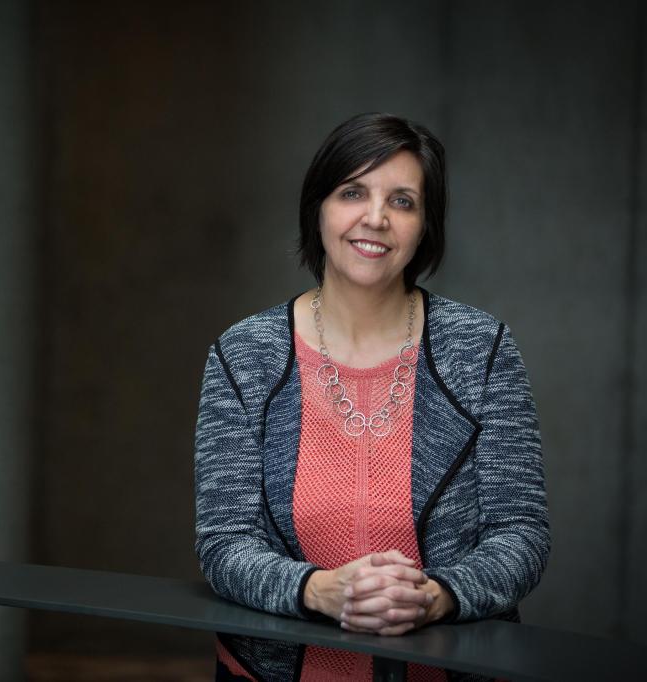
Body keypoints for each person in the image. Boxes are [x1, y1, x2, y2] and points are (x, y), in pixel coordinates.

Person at [193, 112, 549, 682]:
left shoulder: (482, 348)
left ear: (425, 225)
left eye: (403, 201)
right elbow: (224, 544)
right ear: (319, 208)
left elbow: (521, 532)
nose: (376, 218)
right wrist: (321, 590)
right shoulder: (244, 355)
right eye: (352, 192)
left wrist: (437, 596)